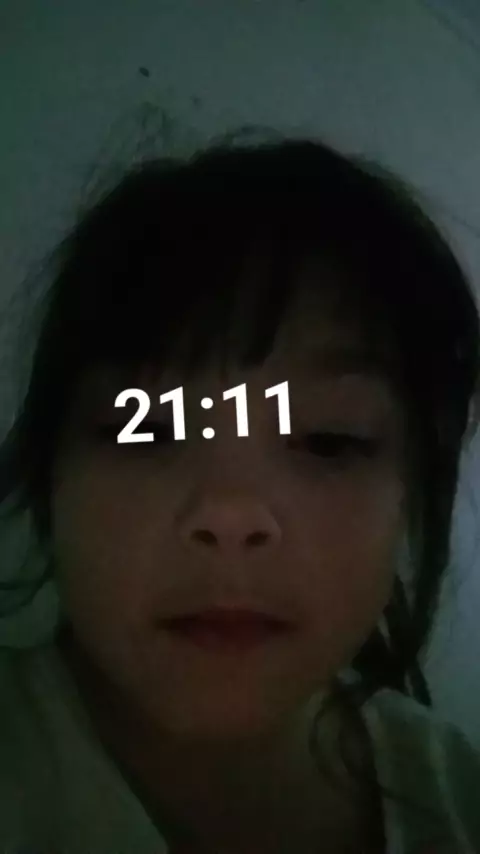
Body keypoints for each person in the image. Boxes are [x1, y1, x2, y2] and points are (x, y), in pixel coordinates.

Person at [0, 134, 479, 854]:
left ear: (410, 495)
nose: (230, 515)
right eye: (145, 426)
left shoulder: (456, 790)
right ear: (49, 474)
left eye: (329, 439)